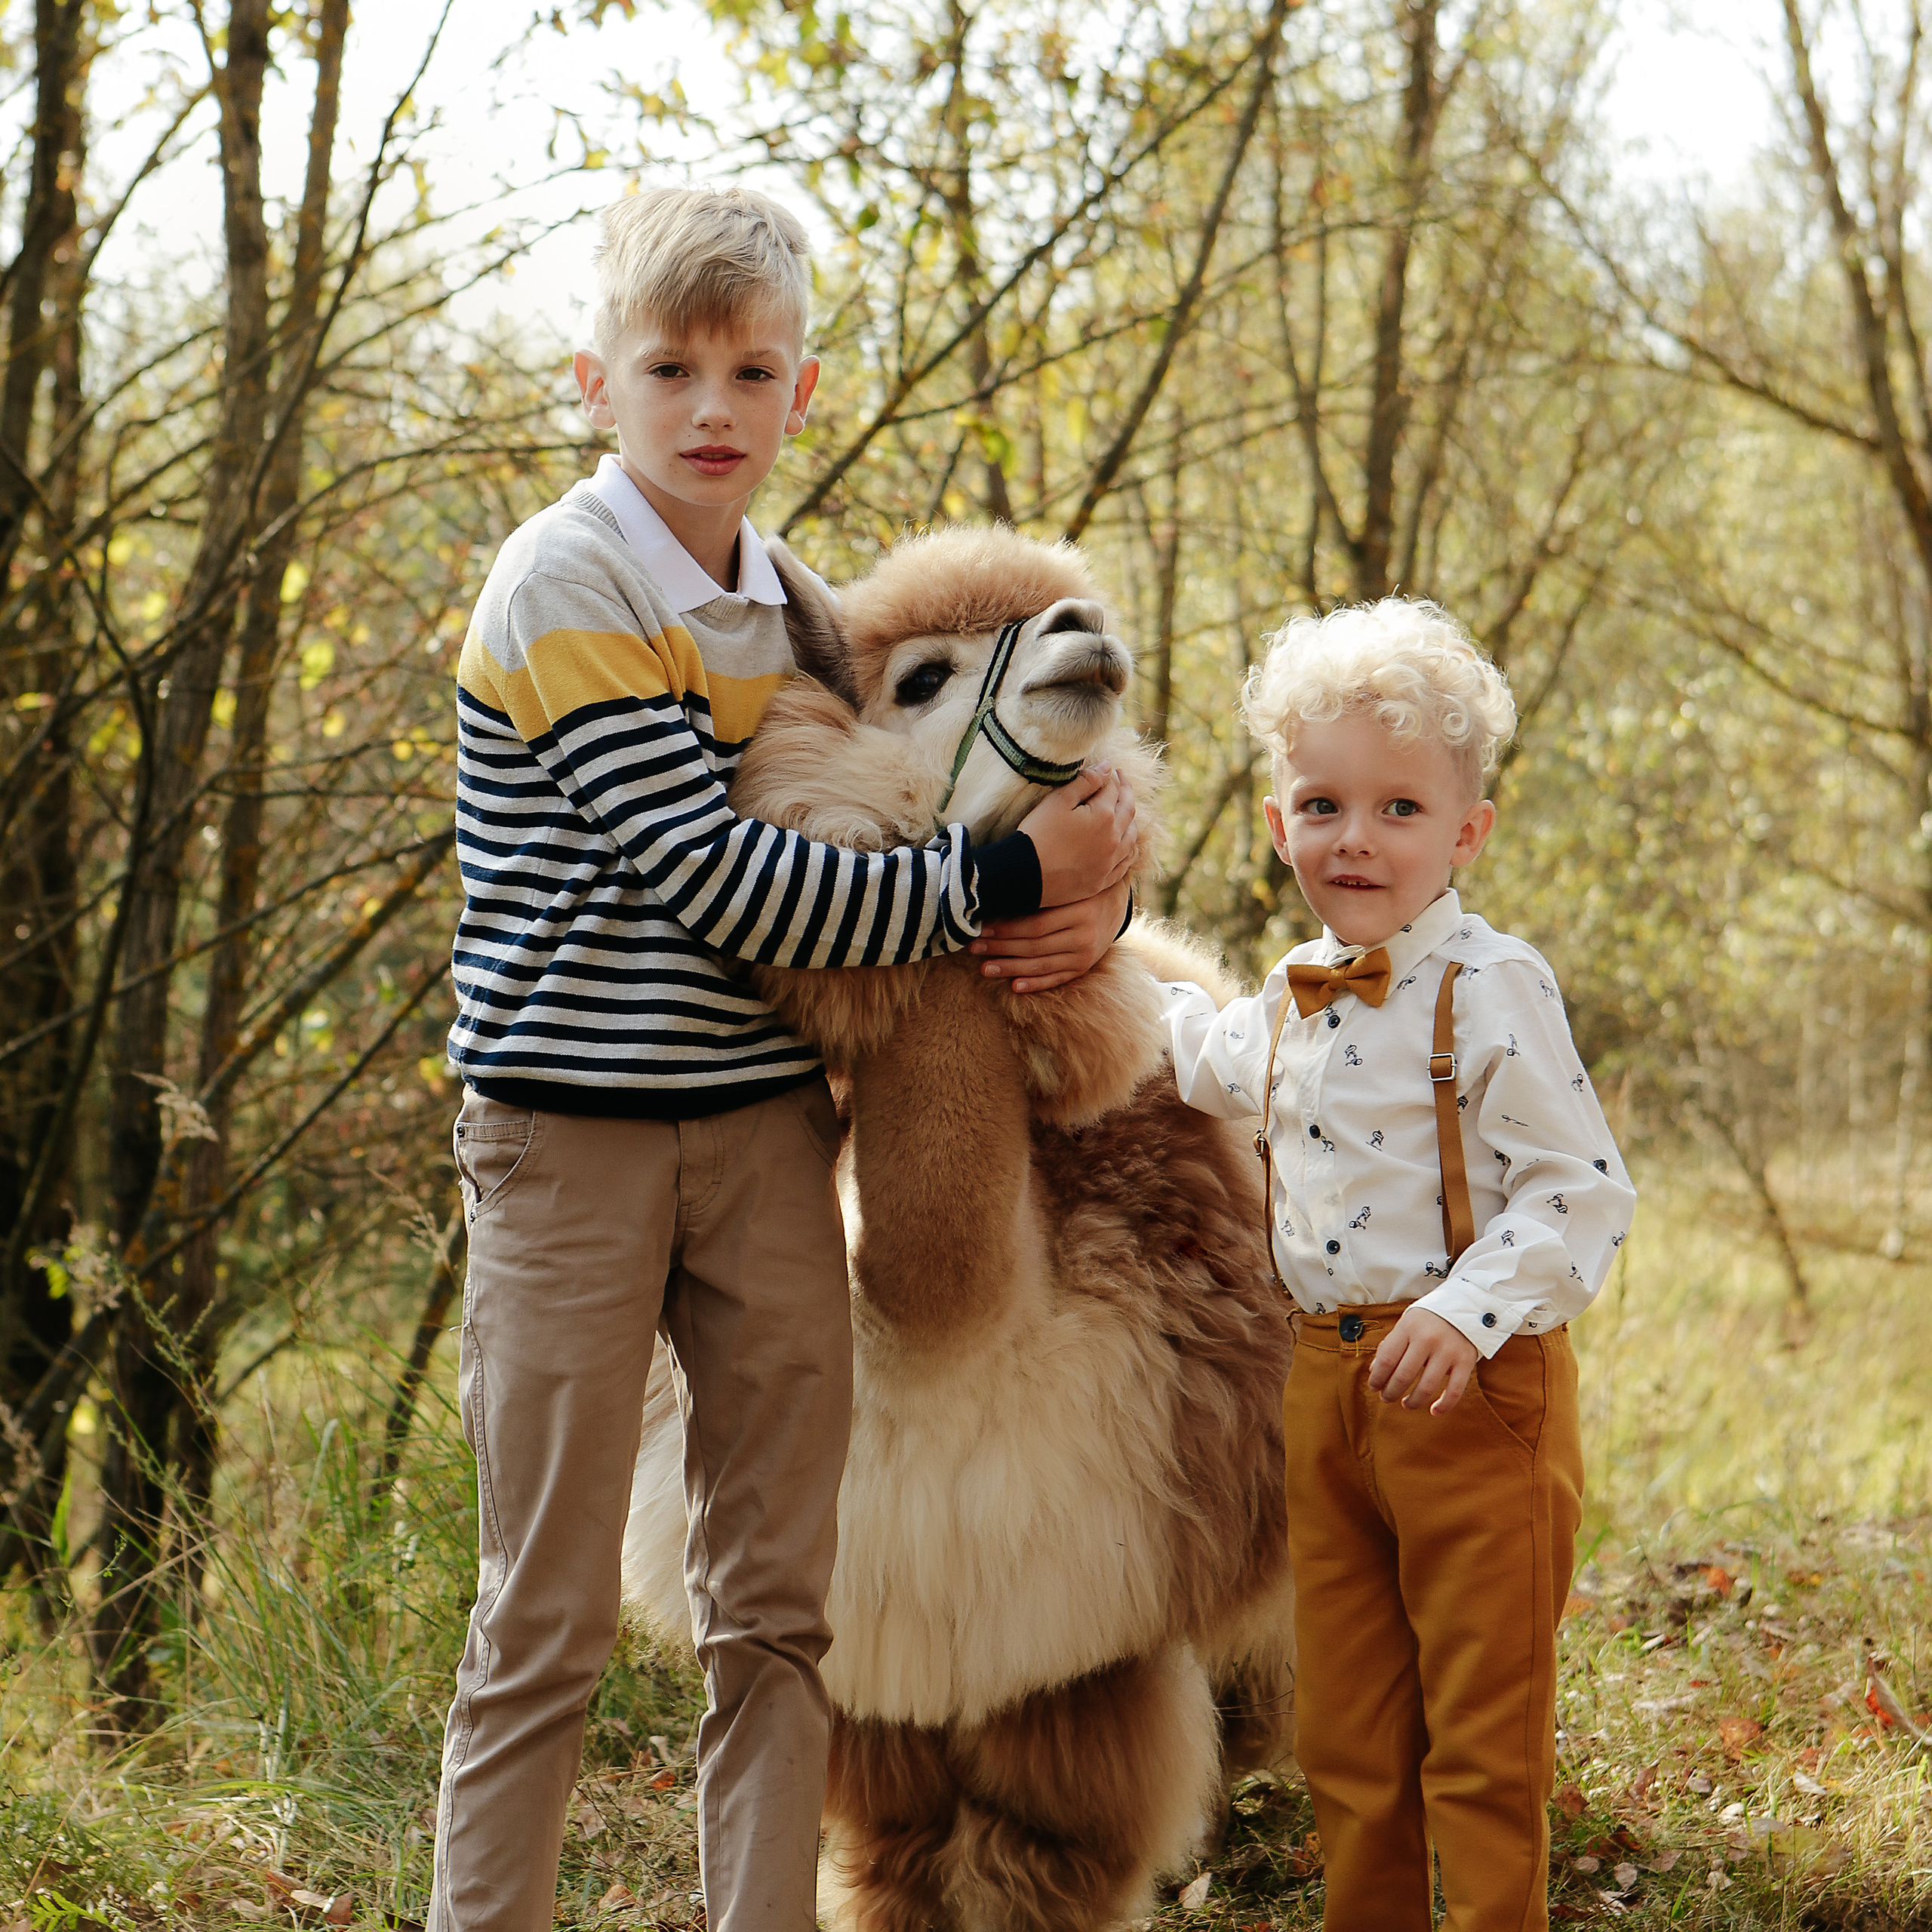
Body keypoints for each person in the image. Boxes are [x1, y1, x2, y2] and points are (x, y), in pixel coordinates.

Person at [432, 184, 1137, 1932]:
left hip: (758, 1131)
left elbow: (934, 774)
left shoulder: (793, 601)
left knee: (776, 1603)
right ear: (598, 380)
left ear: (800, 392)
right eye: (670, 366)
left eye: (750, 369)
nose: (709, 407)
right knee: (547, 1606)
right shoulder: (567, 580)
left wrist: (1091, 894)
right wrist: (997, 882)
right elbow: (728, 876)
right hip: (571, 1141)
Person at [1158, 598, 1635, 1932]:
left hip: (1474, 1399)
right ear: (1278, 825)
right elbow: (1208, 1059)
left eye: (1400, 810)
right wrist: (1096, 958)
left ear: (1467, 831)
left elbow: (1582, 1192)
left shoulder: (1494, 987)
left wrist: (1468, 1310)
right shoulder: (1298, 984)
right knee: (1350, 1733)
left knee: (1481, 1741)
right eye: (1323, 804)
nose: (1355, 838)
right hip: (1324, 1393)